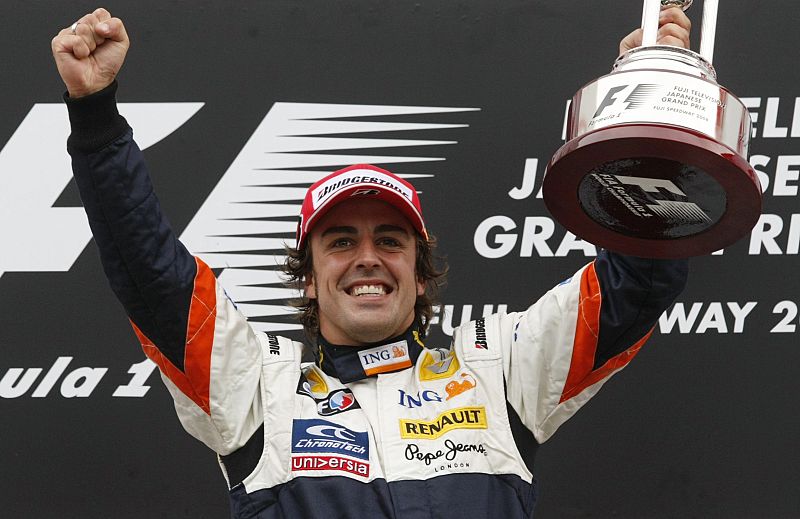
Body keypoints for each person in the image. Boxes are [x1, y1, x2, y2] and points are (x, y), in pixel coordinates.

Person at [52, 6, 691, 518]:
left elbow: (638, 281)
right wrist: (96, 116)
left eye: (390, 241)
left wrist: (644, 106)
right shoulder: (257, 386)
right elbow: (149, 272)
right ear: (308, 279)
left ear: (421, 272)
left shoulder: (496, 369)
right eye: (340, 242)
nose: (367, 259)